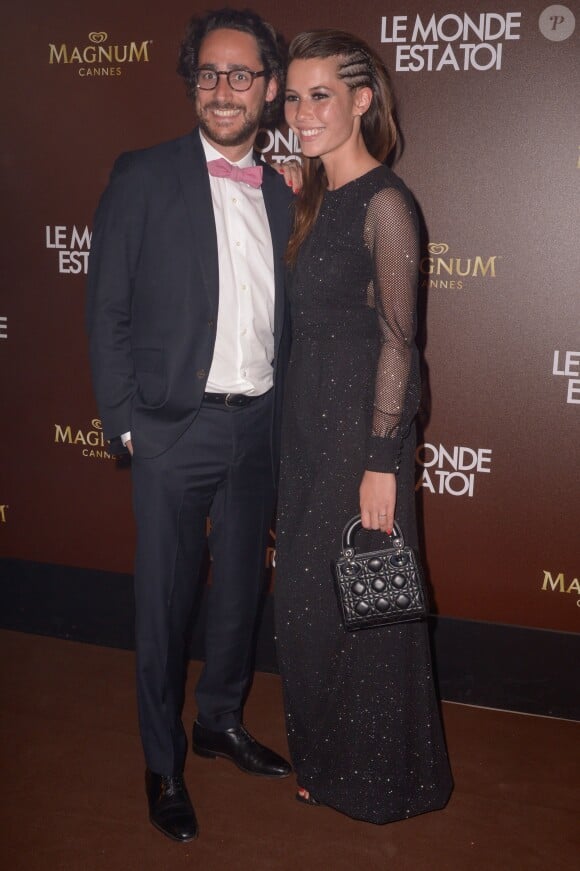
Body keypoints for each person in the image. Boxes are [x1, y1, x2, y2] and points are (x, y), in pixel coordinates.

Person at [86, 8, 294, 843]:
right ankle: (163, 760)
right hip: (174, 431)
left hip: (259, 430)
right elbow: (108, 312)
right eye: (208, 73)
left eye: (241, 75)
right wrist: (129, 426)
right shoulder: (142, 175)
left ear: (270, 90)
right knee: (165, 607)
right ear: (193, 82)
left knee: (240, 595)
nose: (222, 89)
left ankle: (219, 722)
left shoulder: (282, 192)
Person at [274, 30, 453, 824]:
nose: (302, 112)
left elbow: (398, 339)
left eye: (321, 95)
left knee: (366, 606)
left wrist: (384, 458)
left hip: (358, 438)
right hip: (302, 432)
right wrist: (294, 186)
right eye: (293, 96)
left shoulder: (386, 201)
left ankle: (380, 778)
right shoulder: (316, 197)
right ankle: (321, 756)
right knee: (308, 609)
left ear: (361, 100)